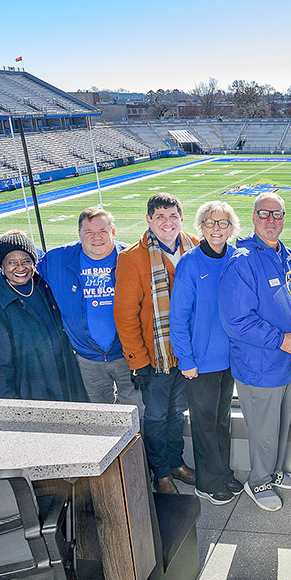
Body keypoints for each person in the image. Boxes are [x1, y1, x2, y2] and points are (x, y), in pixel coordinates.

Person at [218, 192, 291, 512]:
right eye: (264, 214)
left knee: (282, 422)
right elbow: (236, 321)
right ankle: (257, 481)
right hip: (259, 362)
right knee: (263, 428)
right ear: (254, 218)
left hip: (287, 358)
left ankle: (274, 472)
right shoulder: (241, 260)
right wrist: (282, 340)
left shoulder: (290, 255)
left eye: (278, 215)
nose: (271, 220)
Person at [115, 193, 199, 494]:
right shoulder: (131, 258)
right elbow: (125, 316)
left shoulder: (194, 245)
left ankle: (176, 462)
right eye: (159, 216)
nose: (167, 222)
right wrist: (138, 361)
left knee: (178, 412)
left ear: (181, 218)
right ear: (148, 220)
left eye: (172, 216)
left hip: (188, 354)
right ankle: (161, 472)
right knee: (155, 416)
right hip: (157, 357)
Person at [171, 201, 245, 505]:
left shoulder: (236, 258)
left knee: (221, 420)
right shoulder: (189, 263)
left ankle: (223, 473)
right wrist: (185, 360)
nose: (217, 228)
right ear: (201, 225)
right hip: (200, 362)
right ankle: (207, 481)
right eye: (211, 222)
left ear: (231, 228)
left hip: (230, 359)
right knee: (203, 423)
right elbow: (178, 317)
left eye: (223, 223)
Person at [36, 207, 142, 417]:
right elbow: (25, 270)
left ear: (113, 232)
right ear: (79, 235)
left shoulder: (131, 258)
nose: (96, 238)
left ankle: (136, 451)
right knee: (99, 417)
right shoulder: (58, 259)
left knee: (137, 415)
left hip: (128, 355)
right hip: (87, 358)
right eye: (89, 233)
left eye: (102, 231)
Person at [0, 231, 88, 402]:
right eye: (12, 262)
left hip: (66, 382)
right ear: (2, 266)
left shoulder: (45, 285)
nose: (20, 268)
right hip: (32, 392)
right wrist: (12, 406)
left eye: (26, 261)